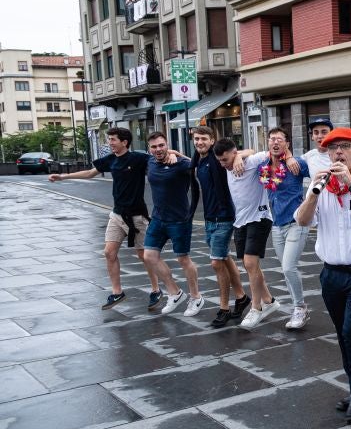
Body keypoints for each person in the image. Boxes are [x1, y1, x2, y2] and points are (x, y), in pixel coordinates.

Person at [294, 127, 351, 424]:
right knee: (343, 336)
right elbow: (302, 221)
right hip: (331, 274)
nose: (338, 153)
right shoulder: (322, 184)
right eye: (332, 149)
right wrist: (313, 193)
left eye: (345, 147)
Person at [48, 127, 162, 310]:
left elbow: (160, 154)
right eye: (109, 139)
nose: (109, 143)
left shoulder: (138, 158)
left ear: (124, 142)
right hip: (117, 215)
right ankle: (117, 293)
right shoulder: (111, 160)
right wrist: (63, 176)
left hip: (137, 216)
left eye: (112, 139)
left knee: (144, 256)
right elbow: (90, 173)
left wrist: (173, 155)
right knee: (109, 253)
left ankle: (156, 289)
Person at [213, 138, 280, 328]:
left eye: (225, 160)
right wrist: (237, 156)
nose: (222, 164)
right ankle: (269, 301)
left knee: (251, 262)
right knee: (249, 264)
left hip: (259, 217)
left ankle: (256, 308)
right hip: (240, 220)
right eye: (219, 161)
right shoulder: (228, 165)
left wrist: (243, 155)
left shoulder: (251, 161)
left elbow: (269, 152)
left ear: (234, 153)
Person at [190, 126, 251, 328]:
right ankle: (241, 297)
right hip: (209, 218)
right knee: (223, 258)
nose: (199, 142)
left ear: (212, 140)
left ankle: (224, 308)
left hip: (224, 217)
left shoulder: (218, 158)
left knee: (216, 263)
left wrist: (241, 156)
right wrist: (173, 153)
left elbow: (248, 152)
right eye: (196, 139)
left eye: (204, 139)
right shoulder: (198, 159)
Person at [141, 131, 204, 316]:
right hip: (158, 218)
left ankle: (196, 297)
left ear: (167, 144)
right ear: (149, 149)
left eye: (161, 145)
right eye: (154, 147)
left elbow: (199, 164)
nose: (158, 149)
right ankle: (174, 293)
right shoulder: (150, 162)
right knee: (149, 256)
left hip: (179, 219)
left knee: (183, 259)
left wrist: (178, 154)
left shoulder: (180, 164)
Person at [254, 127, 311, 330]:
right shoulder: (264, 166)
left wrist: (291, 159)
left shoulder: (297, 164)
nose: (275, 142)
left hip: (296, 222)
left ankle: (300, 308)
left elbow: (318, 175)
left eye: (279, 139)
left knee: (288, 267)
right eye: (271, 139)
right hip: (276, 225)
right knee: (286, 271)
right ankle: (299, 307)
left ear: (287, 143)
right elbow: (242, 154)